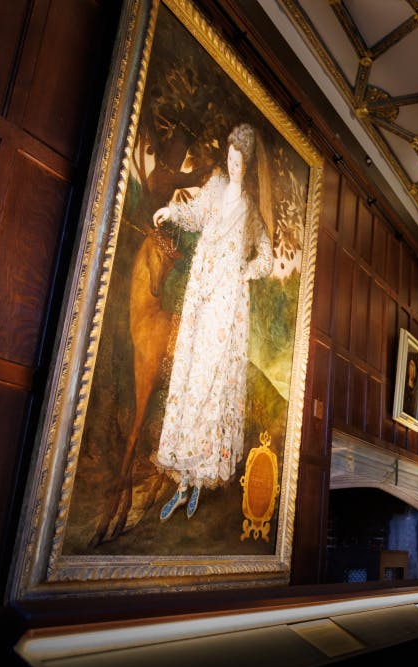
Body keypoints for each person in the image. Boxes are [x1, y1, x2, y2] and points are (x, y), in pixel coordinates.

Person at [152, 122, 273, 522]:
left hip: (227, 299)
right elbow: (195, 213)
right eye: (231, 158)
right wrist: (171, 210)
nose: (234, 165)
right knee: (189, 376)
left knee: (210, 382)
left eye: (240, 160)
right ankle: (182, 482)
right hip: (202, 291)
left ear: (248, 163)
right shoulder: (218, 186)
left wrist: (245, 272)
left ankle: (198, 481)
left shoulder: (251, 210)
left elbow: (267, 258)